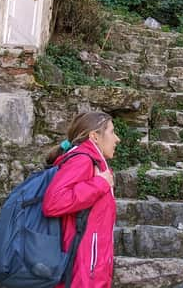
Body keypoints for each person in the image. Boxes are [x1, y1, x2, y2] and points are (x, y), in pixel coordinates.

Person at [43, 111, 121, 288]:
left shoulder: (92, 160)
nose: (117, 139)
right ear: (94, 136)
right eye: (111, 132)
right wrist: (99, 183)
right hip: (83, 264)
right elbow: (53, 202)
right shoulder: (82, 160)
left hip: (89, 262)